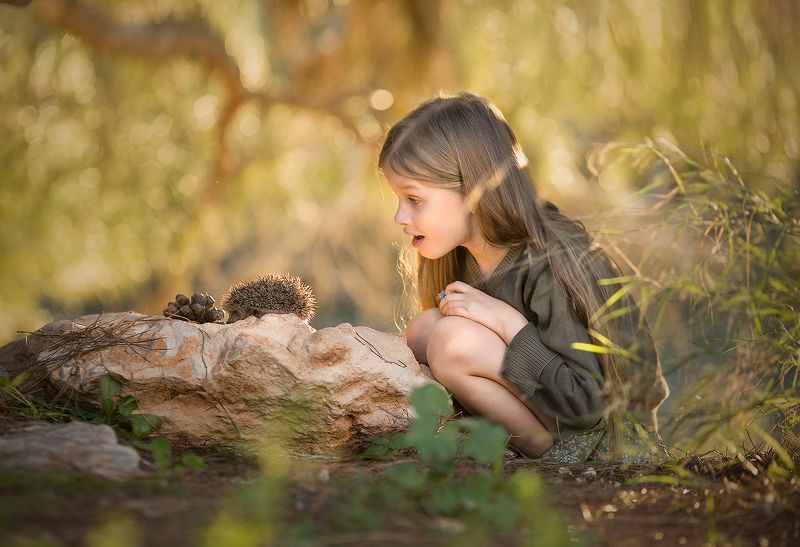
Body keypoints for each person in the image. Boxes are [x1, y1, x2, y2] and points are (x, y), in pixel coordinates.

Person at [379, 92, 669, 460]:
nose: (399, 218)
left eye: (414, 200)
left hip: (609, 438)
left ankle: (548, 456)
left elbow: (590, 403)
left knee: (452, 340)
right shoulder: (457, 257)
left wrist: (507, 322)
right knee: (423, 330)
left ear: (473, 189)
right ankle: (493, 442)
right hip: (556, 414)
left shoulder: (554, 259)